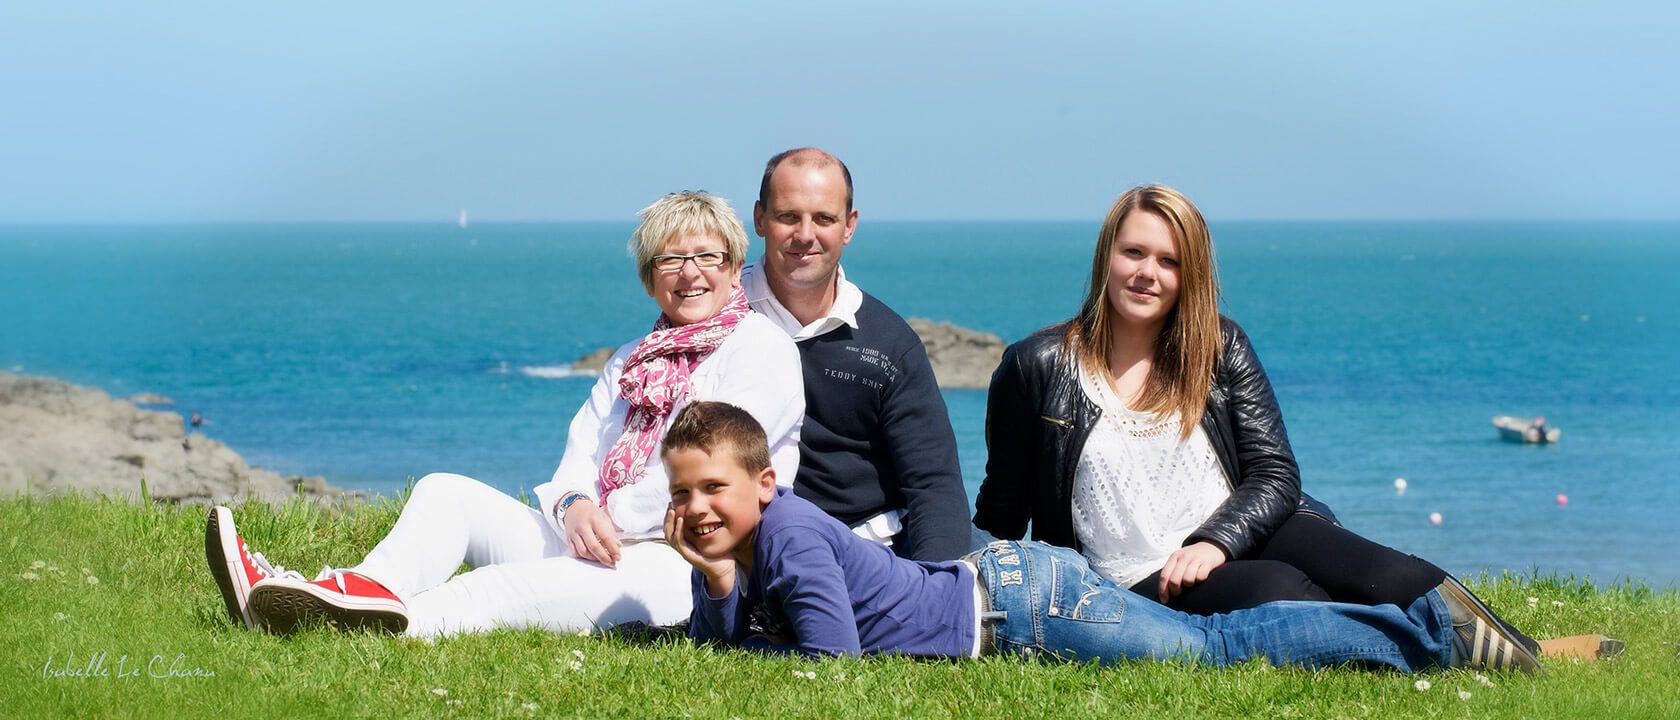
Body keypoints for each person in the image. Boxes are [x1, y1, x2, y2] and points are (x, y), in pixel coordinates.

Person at [203, 191, 805, 637]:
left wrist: (603, 517)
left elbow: (709, 480)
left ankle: (320, 624)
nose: (691, 273)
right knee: (444, 493)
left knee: (489, 592)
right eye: (671, 261)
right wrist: (572, 505)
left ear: (733, 269)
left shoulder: (761, 350)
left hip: (683, 567)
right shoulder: (630, 360)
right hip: (596, 540)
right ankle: (354, 591)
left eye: (708, 257)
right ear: (650, 281)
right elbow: (577, 459)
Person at [972, 185, 1531, 635]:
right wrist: (954, 582)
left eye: (1169, 261)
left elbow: (1275, 473)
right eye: (1134, 253)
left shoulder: (1221, 346)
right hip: (1136, 580)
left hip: (1237, 530)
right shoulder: (1037, 365)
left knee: (1384, 571)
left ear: (1187, 276)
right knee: (1281, 591)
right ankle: (1436, 650)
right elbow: (1002, 509)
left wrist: (1214, 542)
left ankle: (1522, 649)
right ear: (1107, 256)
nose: (1148, 273)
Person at [661, 400, 1539, 672]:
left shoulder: (791, 537)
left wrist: (736, 629)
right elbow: (740, 634)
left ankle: (1435, 637)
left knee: (1214, 653)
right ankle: (1441, 635)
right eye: (683, 493)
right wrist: (712, 577)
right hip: (1011, 593)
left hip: (1024, 608)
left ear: (766, 482)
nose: (699, 506)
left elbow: (830, 664)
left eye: (715, 488)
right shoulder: (755, 546)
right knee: (1209, 644)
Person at [739, 147, 969, 561]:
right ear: (760, 219)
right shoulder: (718, 320)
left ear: (849, 226)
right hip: (746, 549)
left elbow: (934, 486)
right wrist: (578, 498)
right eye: (788, 216)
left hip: (870, 553)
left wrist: (936, 591)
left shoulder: (890, 343)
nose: (805, 235)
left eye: (824, 218)